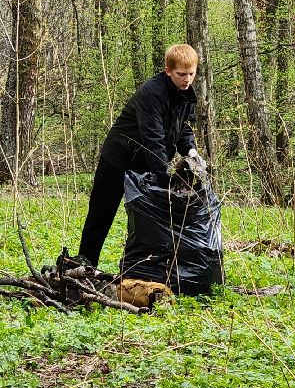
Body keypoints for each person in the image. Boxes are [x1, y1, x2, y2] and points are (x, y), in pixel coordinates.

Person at [73, 43, 203, 269]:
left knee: (146, 219)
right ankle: (86, 264)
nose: (187, 79)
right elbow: (152, 139)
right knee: (101, 213)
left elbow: (182, 129)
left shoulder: (186, 95)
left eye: (191, 74)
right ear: (168, 71)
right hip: (119, 159)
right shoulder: (151, 93)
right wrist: (164, 178)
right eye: (181, 74)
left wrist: (191, 151)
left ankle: (144, 270)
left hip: (146, 165)